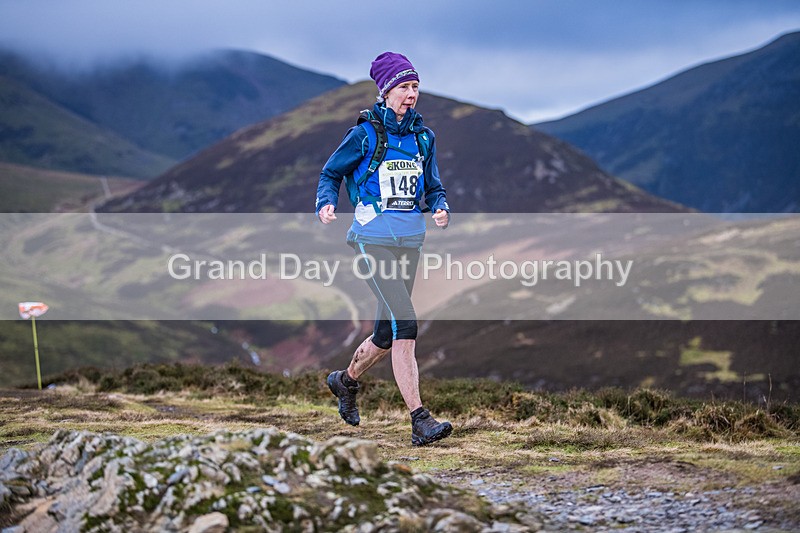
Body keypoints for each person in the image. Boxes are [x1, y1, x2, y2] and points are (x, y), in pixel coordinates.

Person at [315, 52, 452, 446]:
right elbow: (331, 172)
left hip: (410, 240)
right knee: (406, 322)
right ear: (385, 90)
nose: (412, 95)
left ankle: (344, 382)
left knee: (385, 335)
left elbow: (433, 187)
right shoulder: (365, 134)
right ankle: (420, 420)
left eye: (415, 88)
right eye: (404, 87)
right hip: (372, 239)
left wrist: (440, 207)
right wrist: (326, 201)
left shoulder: (424, 138)